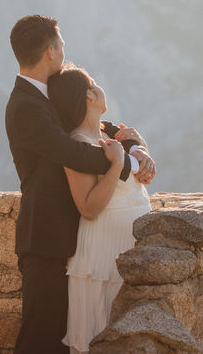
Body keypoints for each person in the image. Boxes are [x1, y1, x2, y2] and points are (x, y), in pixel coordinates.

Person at [5, 14, 156, 354]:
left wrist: (134, 147)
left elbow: (93, 124)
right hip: (46, 239)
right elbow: (72, 151)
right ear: (50, 52)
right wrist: (128, 163)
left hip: (72, 239)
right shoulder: (25, 106)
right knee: (40, 337)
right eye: (61, 44)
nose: (63, 50)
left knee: (60, 339)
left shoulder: (48, 96)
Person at [48, 65, 153, 353]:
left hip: (132, 245)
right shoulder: (77, 144)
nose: (100, 87)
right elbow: (88, 207)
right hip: (104, 253)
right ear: (89, 95)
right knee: (104, 332)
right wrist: (117, 165)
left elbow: (135, 175)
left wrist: (140, 150)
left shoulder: (113, 135)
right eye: (94, 84)